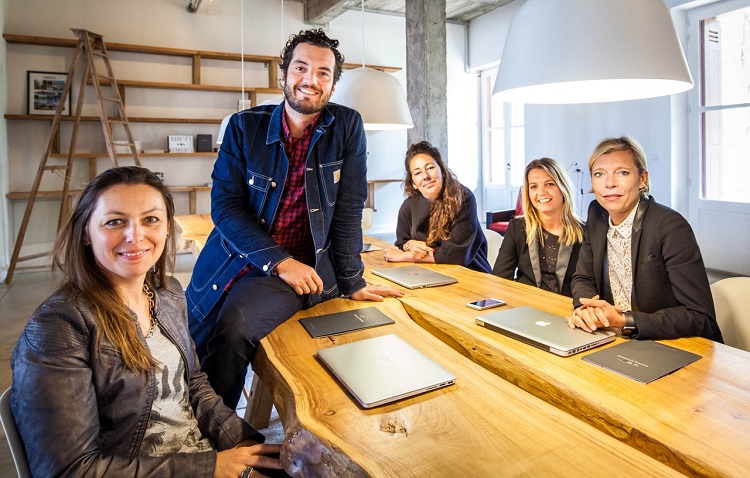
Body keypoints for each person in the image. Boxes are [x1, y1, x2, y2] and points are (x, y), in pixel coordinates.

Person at [11, 167, 282, 477]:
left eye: (150, 219)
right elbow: (72, 470)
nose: (135, 236)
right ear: (86, 233)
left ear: (167, 228)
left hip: (199, 455)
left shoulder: (168, 295)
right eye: (115, 222)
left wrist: (245, 444)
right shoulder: (58, 327)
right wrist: (212, 467)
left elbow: (193, 386)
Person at [186, 28, 402, 409]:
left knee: (233, 334)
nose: (311, 80)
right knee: (184, 347)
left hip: (296, 271)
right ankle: (174, 431)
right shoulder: (243, 127)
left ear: (333, 86)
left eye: (323, 73)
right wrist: (278, 260)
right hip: (229, 262)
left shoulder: (347, 127)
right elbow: (226, 207)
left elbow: (350, 209)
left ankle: (218, 440)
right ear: (282, 75)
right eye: (301, 67)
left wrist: (352, 280)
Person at [568, 136, 723, 342]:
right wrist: (587, 309)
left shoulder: (670, 226)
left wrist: (624, 320)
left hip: (676, 344)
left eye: (622, 173)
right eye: (599, 174)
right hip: (619, 339)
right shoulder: (597, 214)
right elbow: (583, 278)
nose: (609, 183)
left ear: (642, 179)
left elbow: (700, 317)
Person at [383, 141, 491, 273]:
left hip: (470, 274)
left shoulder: (463, 198)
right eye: (417, 173)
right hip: (428, 272)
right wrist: (409, 245)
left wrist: (406, 256)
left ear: (443, 172)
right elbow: (401, 242)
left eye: (430, 168)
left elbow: (456, 255)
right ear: (414, 183)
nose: (426, 176)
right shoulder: (409, 206)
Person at [493, 158, 584, 297]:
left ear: (562, 188)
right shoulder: (518, 228)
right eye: (534, 186)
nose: (541, 192)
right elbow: (500, 278)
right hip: (525, 306)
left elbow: (590, 286)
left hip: (567, 310)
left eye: (549, 184)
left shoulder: (586, 232)